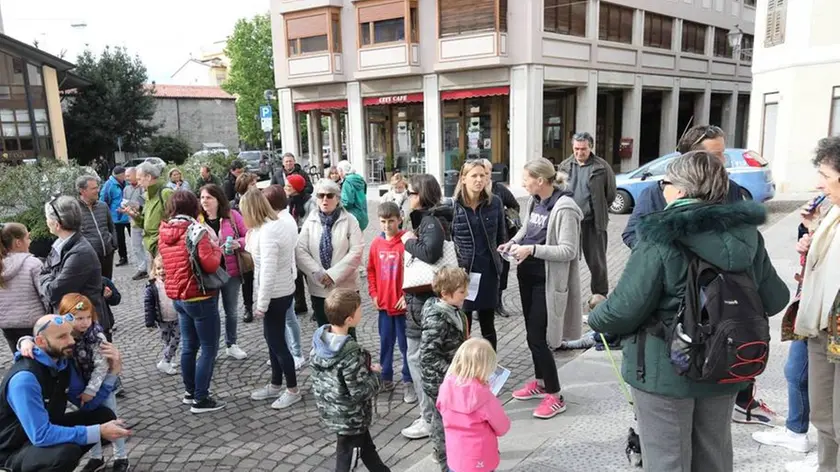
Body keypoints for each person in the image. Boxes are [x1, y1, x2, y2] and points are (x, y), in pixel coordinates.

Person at [587, 151, 789, 472]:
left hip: (665, 371)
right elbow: (777, 298)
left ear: (680, 190)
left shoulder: (660, 238)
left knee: (667, 459)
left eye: (665, 183)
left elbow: (625, 309)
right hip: (726, 362)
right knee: (714, 455)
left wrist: (597, 316)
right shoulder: (748, 236)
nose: (662, 189)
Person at [622, 124, 774, 426]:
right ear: (689, 157)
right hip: (676, 308)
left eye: (722, 156)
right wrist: (663, 258)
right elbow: (632, 234)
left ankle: (742, 398)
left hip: (723, 310)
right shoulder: (657, 192)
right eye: (713, 155)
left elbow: (751, 264)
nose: (720, 164)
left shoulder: (731, 191)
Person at [501, 157, 582, 419]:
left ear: (540, 180)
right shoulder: (534, 200)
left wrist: (532, 249)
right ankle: (540, 382)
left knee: (540, 339)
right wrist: (512, 242)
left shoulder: (565, 207)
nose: (523, 183)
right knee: (531, 336)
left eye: (526, 179)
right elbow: (527, 228)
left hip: (547, 282)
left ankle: (556, 395)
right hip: (528, 275)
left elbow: (569, 251)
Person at [0, 314, 130, 472]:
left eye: (70, 334)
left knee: (103, 415)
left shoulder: (63, 365)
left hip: (42, 432)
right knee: (65, 453)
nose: (71, 341)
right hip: (13, 450)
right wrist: (99, 431)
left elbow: (86, 405)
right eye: (62, 336)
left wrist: (113, 372)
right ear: (40, 342)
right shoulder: (25, 379)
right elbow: (41, 435)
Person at [793, 136, 840, 472]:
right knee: (823, 416)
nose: (818, 182)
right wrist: (809, 233)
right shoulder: (832, 214)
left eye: (825, 175)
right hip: (822, 327)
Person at [622, 124, 743, 249]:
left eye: (723, 153)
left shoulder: (731, 188)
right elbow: (631, 234)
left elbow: (743, 232)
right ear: (692, 158)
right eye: (717, 155)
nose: (723, 160)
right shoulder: (656, 192)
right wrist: (663, 255)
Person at [158, 190, 226, 413]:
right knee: (208, 348)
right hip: (200, 295)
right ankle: (201, 398)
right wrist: (217, 250)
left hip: (179, 296)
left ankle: (189, 392)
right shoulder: (197, 231)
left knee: (189, 346)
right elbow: (210, 265)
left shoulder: (165, 231)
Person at [310, 289, 389, 472]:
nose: (362, 311)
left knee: (367, 450)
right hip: (351, 417)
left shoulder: (319, 344)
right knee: (347, 459)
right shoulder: (350, 353)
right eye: (360, 309)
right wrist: (376, 375)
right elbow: (359, 391)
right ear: (349, 319)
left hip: (335, 411)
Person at [400, 173, 454, 440]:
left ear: (420, 195)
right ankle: (433, 414)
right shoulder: (434, 218)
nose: (407, 197)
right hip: (421, 300)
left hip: (423, 301)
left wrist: (407, 241)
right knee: (424, 358)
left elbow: (430, 253)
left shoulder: (431, 221)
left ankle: (429, 418)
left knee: (419, 360)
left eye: (410, 192)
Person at [240, 189, 301, 409]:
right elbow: (250, 248)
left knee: (277, 342)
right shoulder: (271, 225)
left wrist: (261, 304)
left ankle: (292, 389)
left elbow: (267, 270)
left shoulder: (269, 231)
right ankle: (276, 383)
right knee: (271, 338)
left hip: (276, 292)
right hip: (281, 288)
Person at [451, 160, 505, 351]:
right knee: (464, 325)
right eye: (474, 175)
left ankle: (490, 366)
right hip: (464, 274)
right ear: (463, 178)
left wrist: (501, 268)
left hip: (488, 271)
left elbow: (501, 239)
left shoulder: (495, 203)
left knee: (488, 324)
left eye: (482, 175)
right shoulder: (453, 206)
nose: (479, 180)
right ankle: (465, 367)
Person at [296, 179, 364, 329]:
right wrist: (319, 274)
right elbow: (300, 250)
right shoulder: (310, 220)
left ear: (338, 199)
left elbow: (356, 251)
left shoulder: (350, 220)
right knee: (324, 331)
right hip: (319, 288)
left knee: (347, 331)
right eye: (320, 196)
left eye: (329, 195)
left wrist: (332, 275)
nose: (325, 199)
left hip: (345, 288)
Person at [420, 267, 470, 470]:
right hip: (439, 383)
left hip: (452, 378)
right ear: (445, 294)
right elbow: (428, 356)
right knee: (441, 425)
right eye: (461, 292)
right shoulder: (436, 319)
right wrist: (454, 371)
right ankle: (445, 462)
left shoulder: (453, 310)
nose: (466, 295)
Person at [436, 338, 510, 472]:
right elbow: (502, 427)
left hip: (456, 455)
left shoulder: (446, 387)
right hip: (480, 457)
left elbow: (440, 408)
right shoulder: (484, 396)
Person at [558, 131, 616, 301]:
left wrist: (597, 209)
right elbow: (558, 191)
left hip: (593, 222)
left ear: (591, 147)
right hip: (569, 222)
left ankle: (599, 296)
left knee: (597, 262)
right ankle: (565, 294)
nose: (579, 152)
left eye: (583, 149)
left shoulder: (602, 167)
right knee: (566, 258)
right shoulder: (564, 166)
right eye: (576, 149)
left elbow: (610, 194)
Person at [367, 202, 413, 402]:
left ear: (399, 219)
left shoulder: (406, 242)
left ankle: (409, 380)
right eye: (384, 222)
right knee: (385, 343)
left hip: (402, 307)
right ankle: (385, 378)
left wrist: (407, 295)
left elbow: (414, 271)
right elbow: (371, 271)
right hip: (384, 306)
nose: (387, 226)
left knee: (406, 346)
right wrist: (374, 294)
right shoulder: (376, 244)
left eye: (391, 221)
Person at [199, 184, 248, 361]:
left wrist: (238, 243)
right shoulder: (197, 220)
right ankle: (210, 349)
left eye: (208, 198)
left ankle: (231, 344)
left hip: (230, 271)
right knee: (210, 312)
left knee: (231, 310)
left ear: (218, 200)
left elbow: (248, 235)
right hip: (208, 273)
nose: (204, 201)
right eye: (202, 197)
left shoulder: (232, 216)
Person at [39, 196, 105, 322]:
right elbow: (45, 272)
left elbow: (53, 292)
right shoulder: (60, 244)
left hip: (84, 323)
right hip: (71, 319)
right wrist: (48, 277)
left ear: (57, 224)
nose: (46, 222)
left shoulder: (80, 253)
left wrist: (46, 279)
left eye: (47, 218)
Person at [263, 185, 305, 370]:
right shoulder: (281, 218)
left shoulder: (283, 221)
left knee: (289, 318)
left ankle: (295, 353)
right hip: (286, 275)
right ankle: (285, 351)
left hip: (284, 277)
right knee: (288, 317)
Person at [480, 159, 519, 318]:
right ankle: (480, 305)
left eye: (486, 173)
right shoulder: (474, 190)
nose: (483, 177)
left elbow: (515, 206)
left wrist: (506, 217)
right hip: (482, 238)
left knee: (502, 270)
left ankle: (498, 303)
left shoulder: (499, 189)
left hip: (501, 237)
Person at [0, 223, 45, 354]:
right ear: (18, 242)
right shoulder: (33, 264)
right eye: (27, 238)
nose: (30, 242)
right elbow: (44, 294)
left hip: (7, 325)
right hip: (33, 323)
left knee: (20, 358)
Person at [123, 161, 174, 265]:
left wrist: (162, 242)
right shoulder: (148, 196)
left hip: (163, 247)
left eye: (139, 179)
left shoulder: (166, 193)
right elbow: (145, 223)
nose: (138, 183)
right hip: (152, 247)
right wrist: (134, 216)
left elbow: (176, 222)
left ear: (148, 177)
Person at [76, 175, 118, 280]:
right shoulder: (74, 210)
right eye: (94, 188)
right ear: (82, 191)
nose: (98, 190)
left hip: (107, 255)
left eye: (97, 187)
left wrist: (113, 244)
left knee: (108, 285)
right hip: (89, 258)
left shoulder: (103, 206)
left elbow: (111, 226)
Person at [285, 173, 316, 315]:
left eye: (289, 185)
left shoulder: (311, 202)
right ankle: (300, 303)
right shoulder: (289, 201)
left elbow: (313, 224)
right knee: (295, 274)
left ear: (297, 187)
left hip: (307, 243)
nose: (285, 187)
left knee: (310, 275)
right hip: (293, 243)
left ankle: (317, 307)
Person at [144, 255, 180, 376]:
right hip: (163, 319)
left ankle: (166, 360)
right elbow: (148, 305)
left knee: (176, 338)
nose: (162, 271)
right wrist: (149, 321)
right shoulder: (152, 286)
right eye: (159, 268)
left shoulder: (174, 282)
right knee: (166, 340)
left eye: (164, 268)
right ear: (154, 270)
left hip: (176, 316)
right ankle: (168, 360)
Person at [99, 166, 130, 268]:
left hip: (129, 215)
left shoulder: (127, 182)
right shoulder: (109, 185)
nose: (126, 176)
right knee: (120, 239)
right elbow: (103, 200)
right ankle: (123, 257)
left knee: (135, 238)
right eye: (124, 174)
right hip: (117, 217)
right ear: (120, 175)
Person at [121, 167, 148, 280]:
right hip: (133, 220)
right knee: (136, 246)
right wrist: (125, 207)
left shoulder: (143, 187)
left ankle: (154, 266)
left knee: (148, 245)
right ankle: (142, 268)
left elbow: (144, 203)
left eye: (128, 176)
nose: (126, 178)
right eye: (125, 176)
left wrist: (134, 205)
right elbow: (124, 201)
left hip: (144, 219)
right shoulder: (126, 188)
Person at [336, 160, 368, 231]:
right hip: (363, 214)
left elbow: (347, 202)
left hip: (353, 216)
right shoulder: (359, 179)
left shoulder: (347, 182)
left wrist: (336, 204)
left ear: (341, 170)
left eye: (338, 171)